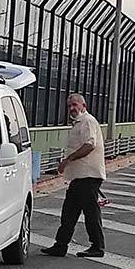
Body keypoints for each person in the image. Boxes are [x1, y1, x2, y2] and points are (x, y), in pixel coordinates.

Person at [41, 93, 106, 258]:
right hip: (79, 176)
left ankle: (97, 246)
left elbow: (90, 144)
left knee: (90, 212)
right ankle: (61, 245)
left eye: (75, 105)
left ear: (83, 106)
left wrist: (68, 160)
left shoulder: (87, 121)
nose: (71, 108)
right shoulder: (78, 123)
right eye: (69, 105)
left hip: (88, 175)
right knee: (69, 211)